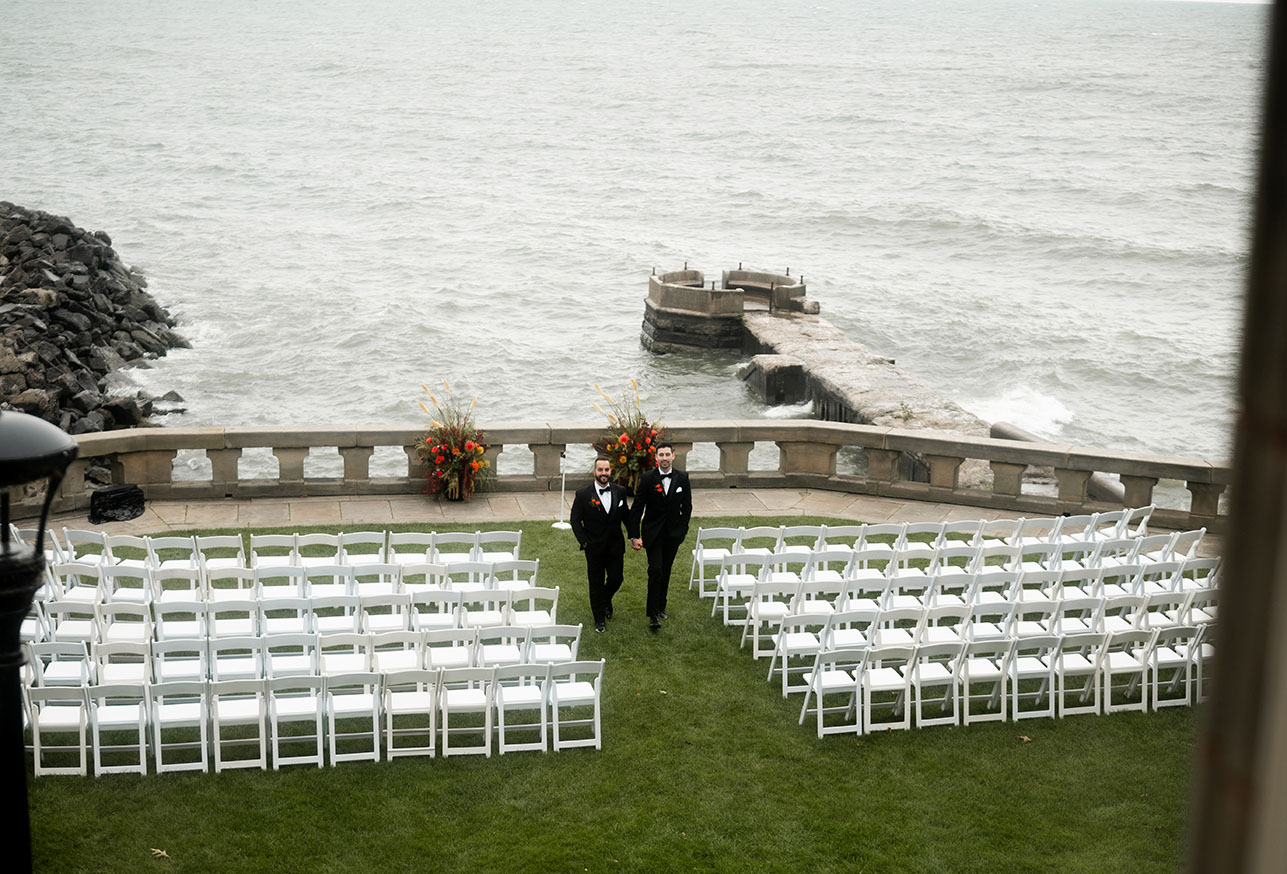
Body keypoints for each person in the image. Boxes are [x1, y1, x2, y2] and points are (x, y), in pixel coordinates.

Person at [629, 442, 692, 631]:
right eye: (660, 455)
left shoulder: (682, 478)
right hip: (653, 534)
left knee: (666, 570)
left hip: (673, 534)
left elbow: (687, 507)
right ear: (656, 457)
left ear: (673, 455)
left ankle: (661, 605)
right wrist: (634, 535)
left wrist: (682, 531)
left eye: (667, 454)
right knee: (655, 570)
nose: (664, 458)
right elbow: (637, 507)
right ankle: (653, 614)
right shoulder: (648, 479)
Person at [570, 455, 635, 633]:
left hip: (615, 546)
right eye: (600, 470)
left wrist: (634, 536)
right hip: (594, 548)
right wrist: (584, 542)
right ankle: (599, 619)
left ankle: (605, 600)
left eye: (606, 470)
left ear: (610, 471)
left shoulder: (620, 492)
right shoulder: (583, 495)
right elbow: (575, 520)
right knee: (595, 583)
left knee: (616, 579)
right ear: (594, 472)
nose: (604, 473)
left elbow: (626, 518)